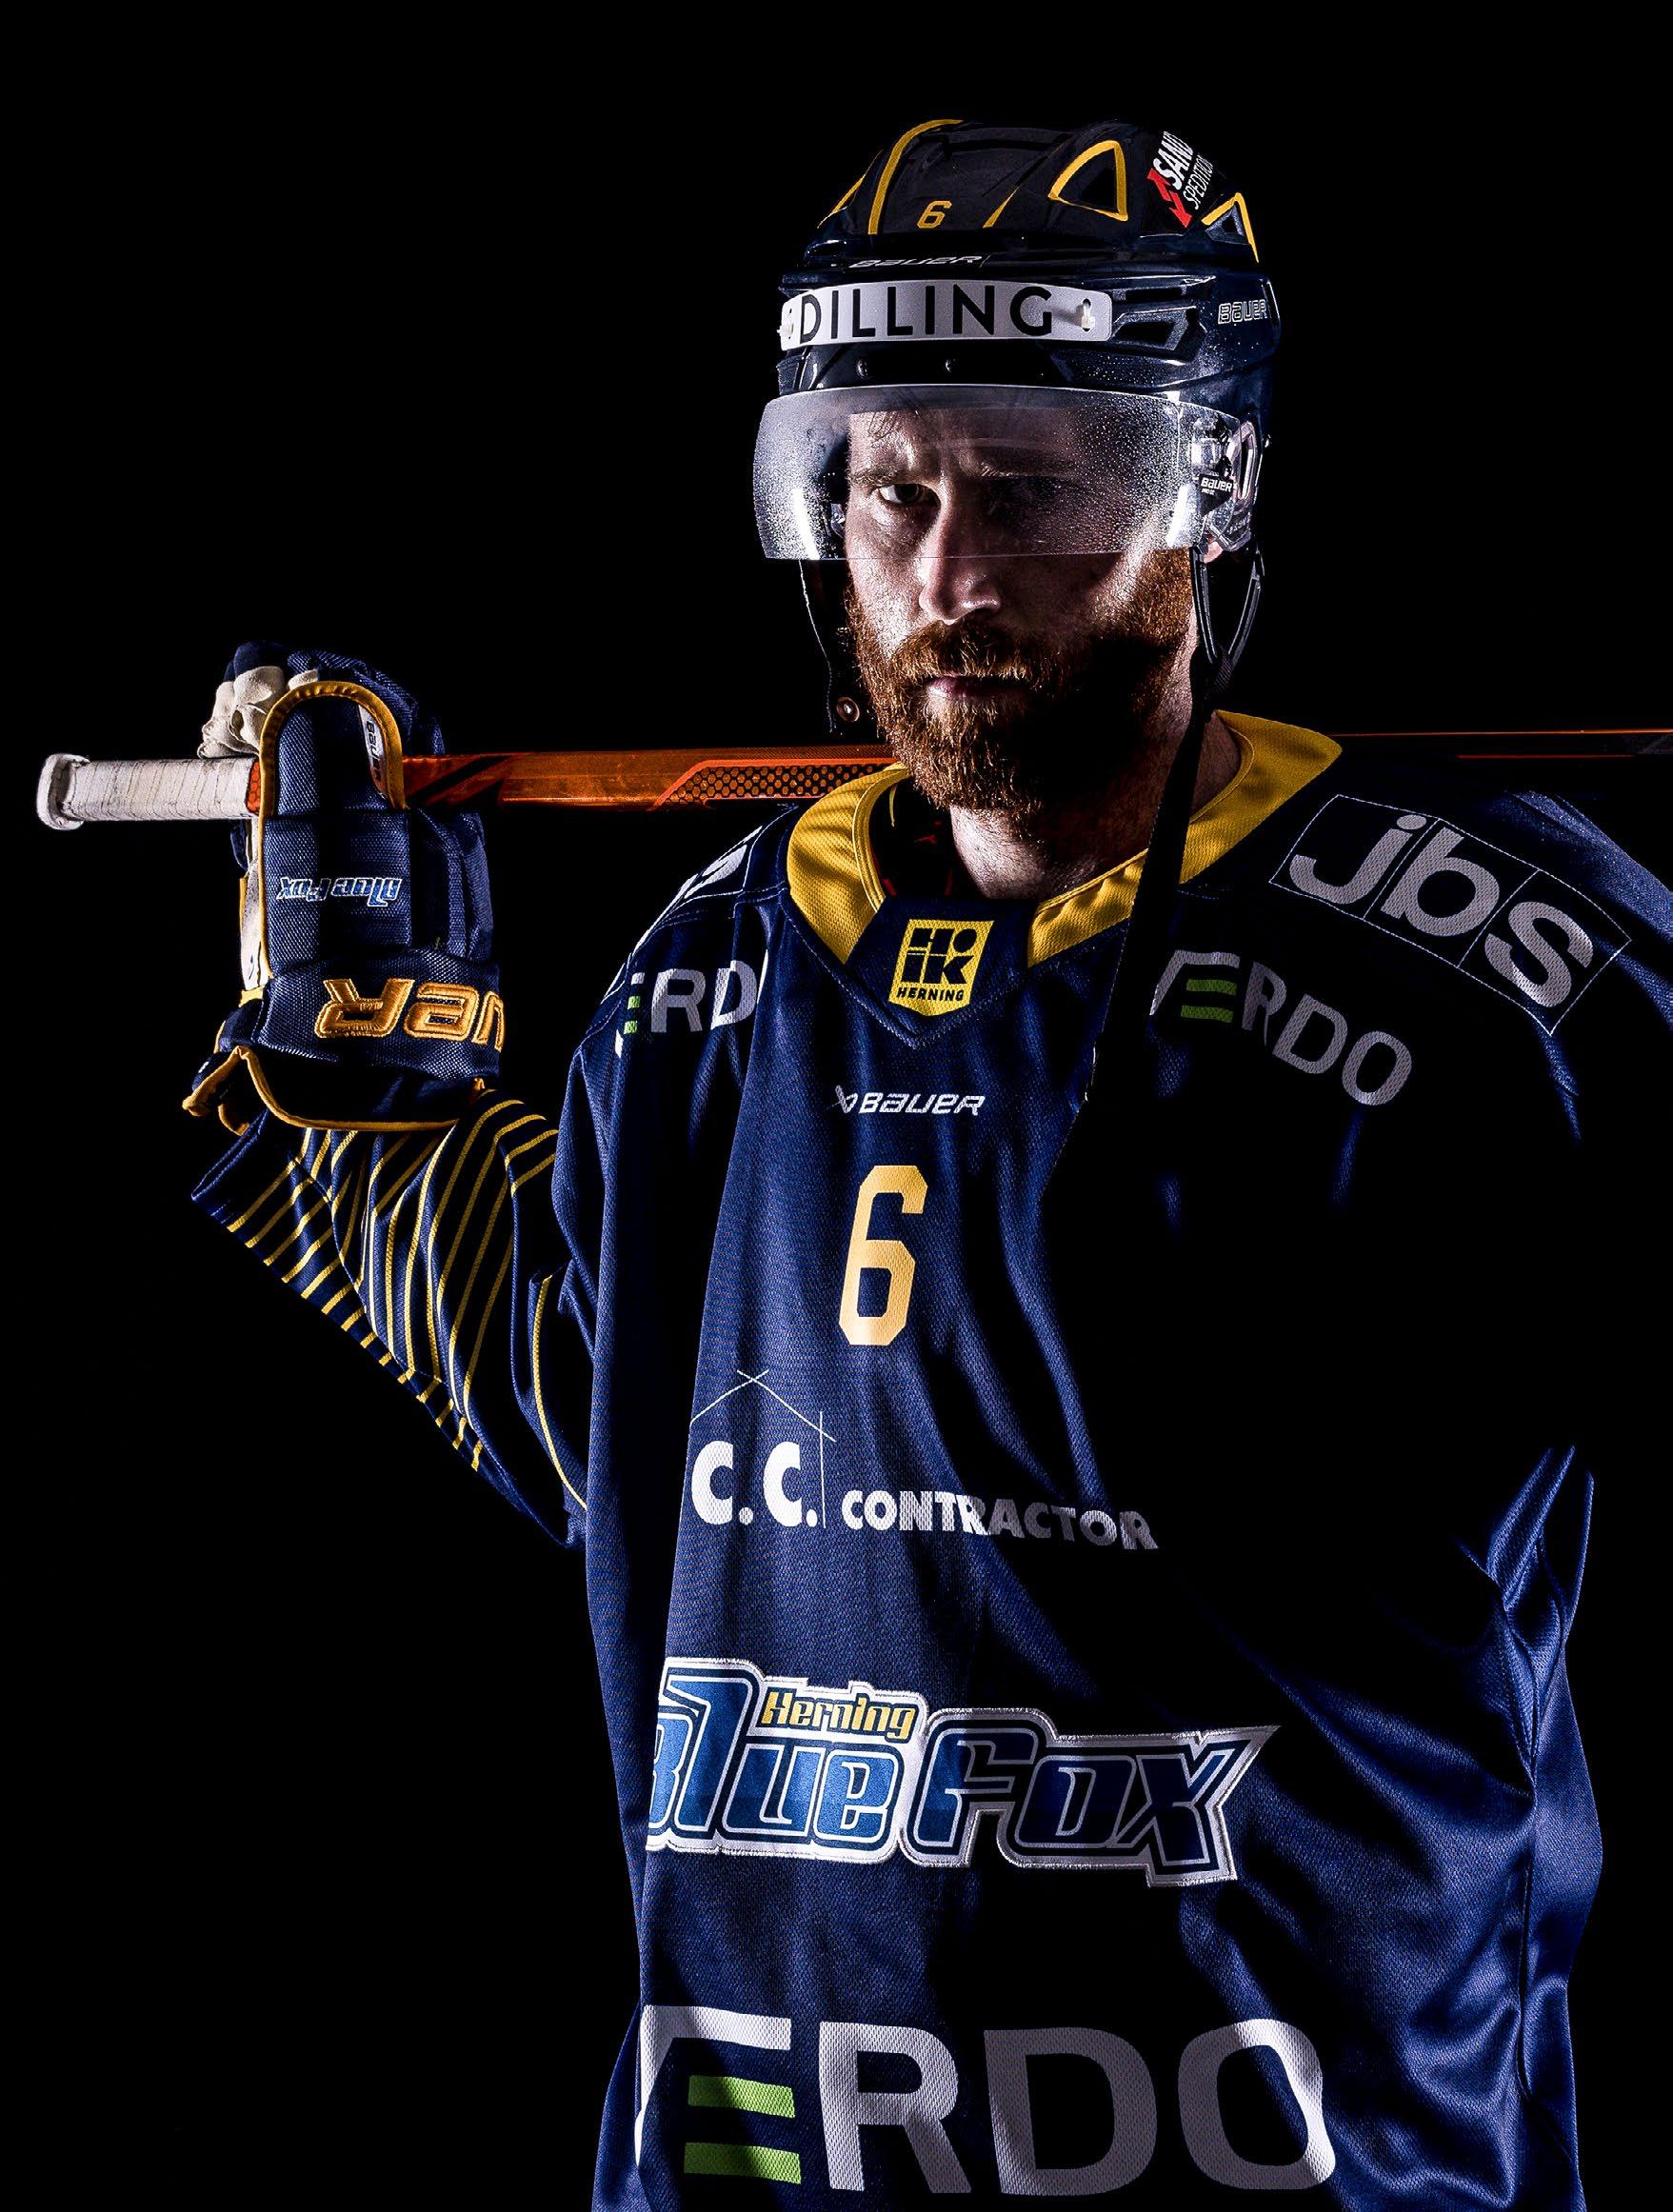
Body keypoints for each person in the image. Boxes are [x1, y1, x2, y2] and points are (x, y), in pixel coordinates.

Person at [182, 116, 1670, 2208]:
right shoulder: (714, 967)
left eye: (1034, 489)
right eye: (894, 489)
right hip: (760, 2163)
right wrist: (360, 1074)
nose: (952, 580)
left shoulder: (1501, 971)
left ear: (1205, 493)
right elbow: (584, 1404)